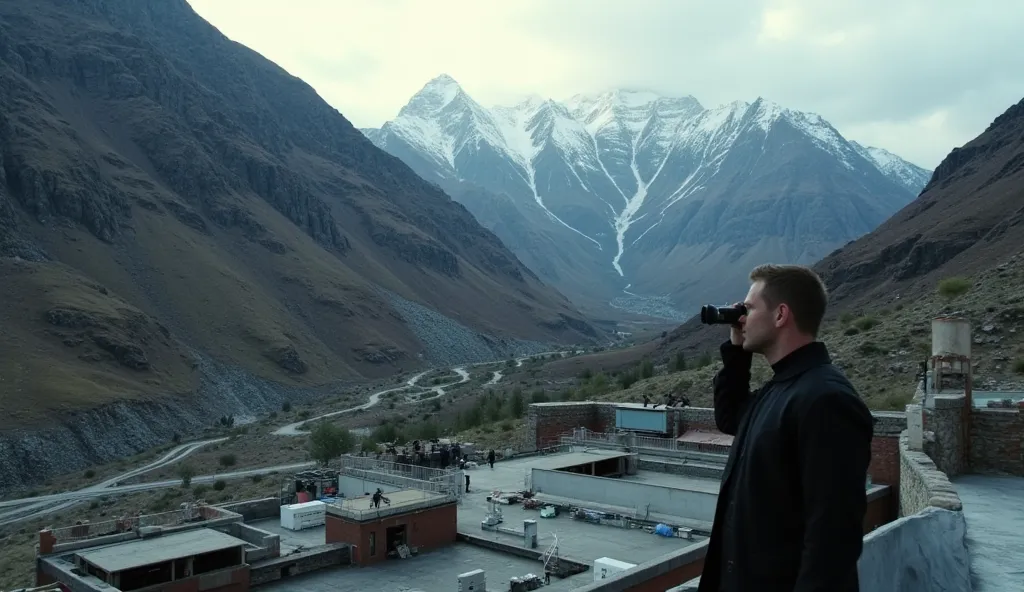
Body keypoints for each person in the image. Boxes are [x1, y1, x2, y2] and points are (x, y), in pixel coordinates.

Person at [698, 264, 874, 592]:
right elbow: (730, 418)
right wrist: (736, 353)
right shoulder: (782, 390)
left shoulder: (826, 400)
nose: (741, 318)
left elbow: (832, 540)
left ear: (781, 315)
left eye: (748, 309)